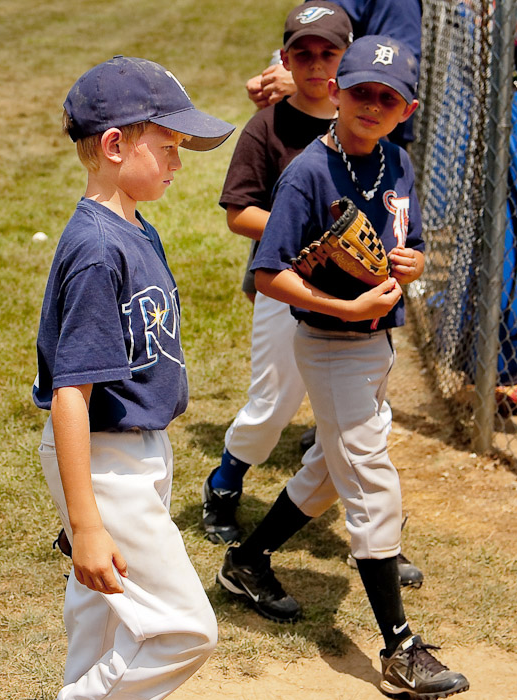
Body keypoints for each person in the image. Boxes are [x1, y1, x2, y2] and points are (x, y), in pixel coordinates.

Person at [216, 37, 470, 698]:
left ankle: (245, 560)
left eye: (387, 98)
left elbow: (403, 245)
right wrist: (342, 305)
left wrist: (410, 262)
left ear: (405, 109)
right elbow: (269, 273)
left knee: (332, 470)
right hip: (328, 346)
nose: (371, 104)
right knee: (370, 480)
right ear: (336, 93)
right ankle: (400, 647)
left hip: (376, 345)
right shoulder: (307, 171)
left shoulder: (398, 163)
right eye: (360, 91)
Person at [203, 3, 423, 589]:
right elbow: (241, 218)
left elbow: (406, 229)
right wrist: (305, 230)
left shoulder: (383, 144)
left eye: (328, 52)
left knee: (346, 445)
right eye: (304, 52)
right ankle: (226, 482)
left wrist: (410, 259)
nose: (316, 63)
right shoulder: (275, 131)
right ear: (287, 61)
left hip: (368, 323)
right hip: (298, 291)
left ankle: (323, 545)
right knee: (276, 406)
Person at [34, 56, 234, 700]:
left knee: (100, 620)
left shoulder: (133, 228)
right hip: (103, 454)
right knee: (184, 627)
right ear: (115, 145)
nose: (179, 161)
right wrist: (87, 522)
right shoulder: (98, 249)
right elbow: (71, 394)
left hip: (136, 447)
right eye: (169, 145)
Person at [246, 0, 422, 147]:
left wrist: (305, 81)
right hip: (310, 122)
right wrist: (272, 80)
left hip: (373, 134)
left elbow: (399, 68)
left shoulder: (397, 4)